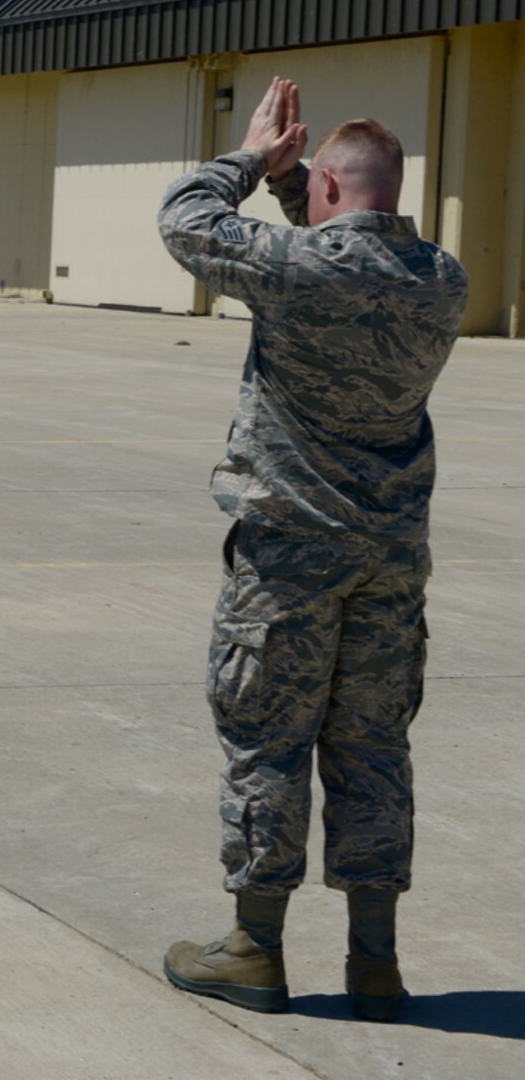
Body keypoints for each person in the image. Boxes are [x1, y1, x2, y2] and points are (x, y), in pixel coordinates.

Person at [155, 77, 468, 1023]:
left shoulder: (300, 272)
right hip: (390, 564)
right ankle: (376, 963)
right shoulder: (441, 279)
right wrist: (309, 184)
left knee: (270, 745)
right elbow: (333, 243)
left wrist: (253, 156)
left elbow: (187, 221)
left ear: (328, 184)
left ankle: (254, 948)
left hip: (291, 558)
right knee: (375, 751)